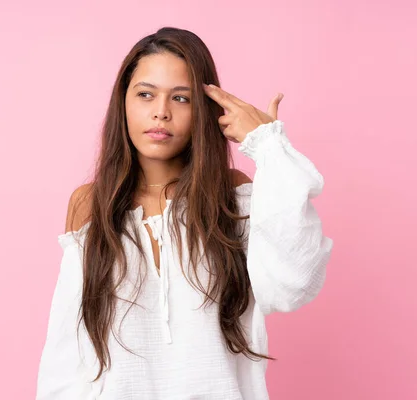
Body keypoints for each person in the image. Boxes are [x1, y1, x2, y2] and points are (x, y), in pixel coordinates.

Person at [35, 26, 333, 400]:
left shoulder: (231, 195)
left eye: (181, 98)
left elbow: (291, 285)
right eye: (145, 94)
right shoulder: (92, 203)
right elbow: (67, 352)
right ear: (123, 102)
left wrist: (269, 147)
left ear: (204, 109)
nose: (160, 112)